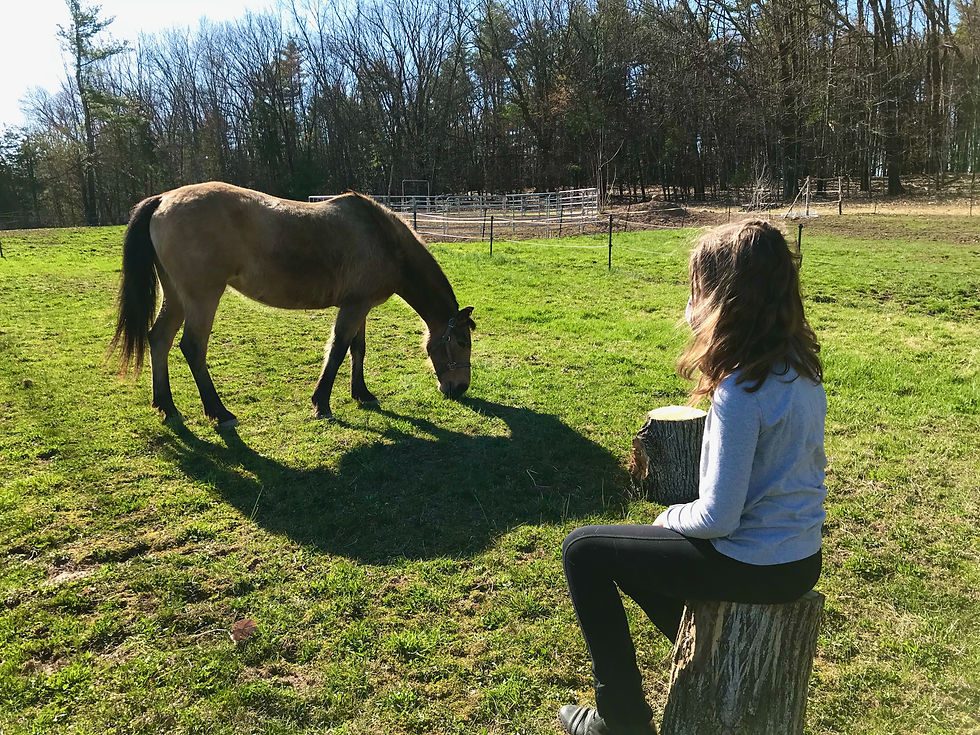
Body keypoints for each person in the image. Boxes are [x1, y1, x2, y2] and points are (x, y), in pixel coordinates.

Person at [558, 219, 827, 735]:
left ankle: (621, 721)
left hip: (752, 564)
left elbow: (718, 517)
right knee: (629, 554)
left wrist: (666, 517)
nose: (690, 304)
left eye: (697, 290)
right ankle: (710, 647)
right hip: (800, 560)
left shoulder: (740, 391)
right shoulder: (800, 369)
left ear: (726, 301)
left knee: (585, 550)